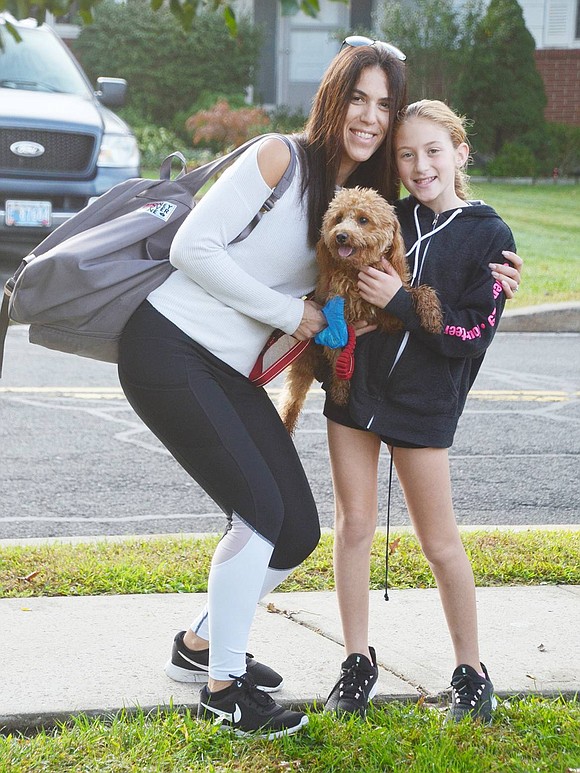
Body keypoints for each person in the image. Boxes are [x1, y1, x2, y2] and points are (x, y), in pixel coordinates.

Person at [116, 38, 413, 739]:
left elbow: (373, 286)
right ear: (335, 98)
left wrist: (486, 285)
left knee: (297, 530)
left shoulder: (359, 206)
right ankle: (224, 687)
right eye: (359, 98)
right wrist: (293, 313)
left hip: (225, 370)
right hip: (169, 348)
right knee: (258, 512)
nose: (369, 116)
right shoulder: (280, 159)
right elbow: (192, 247)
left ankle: (198, 647)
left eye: (384, 105)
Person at [322, 97, 521, 724]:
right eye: (406, 154)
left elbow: (471, 334)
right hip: (355, 392)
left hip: (425, 403)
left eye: (433, 151)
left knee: (439, 542)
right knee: (354, 526)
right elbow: (335, 263)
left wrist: (403, 302)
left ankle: (471, 670)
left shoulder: (490, 235)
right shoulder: (390, 215)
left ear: (461, 152)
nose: (419, 165)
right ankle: (356, 663)